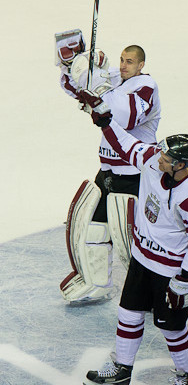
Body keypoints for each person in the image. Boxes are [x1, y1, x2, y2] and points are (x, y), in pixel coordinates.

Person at [78, 95, 188, 385]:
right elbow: (126, 144)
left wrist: (185, 280)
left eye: (166, 158)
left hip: (171, 273)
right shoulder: (153, 161)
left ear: (180, 165)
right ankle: (122, 370)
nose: (158, 157)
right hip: (142, 261)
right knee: (128, 313)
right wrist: (104, 119)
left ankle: (185, 376)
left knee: (172, 328)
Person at [55, 29, 161, 303]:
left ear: (141, 65)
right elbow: (72, 89)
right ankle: (98, 283)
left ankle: (148, 291)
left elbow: (124, 118)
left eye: (129, 62)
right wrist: (74, 64)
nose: (123, 65)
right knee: (93, 229)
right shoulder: (115, 78)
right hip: (107, 171)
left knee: (130, 241)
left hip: (134, 175)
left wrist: (98, 88)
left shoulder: (146, 87)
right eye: (122, 60)